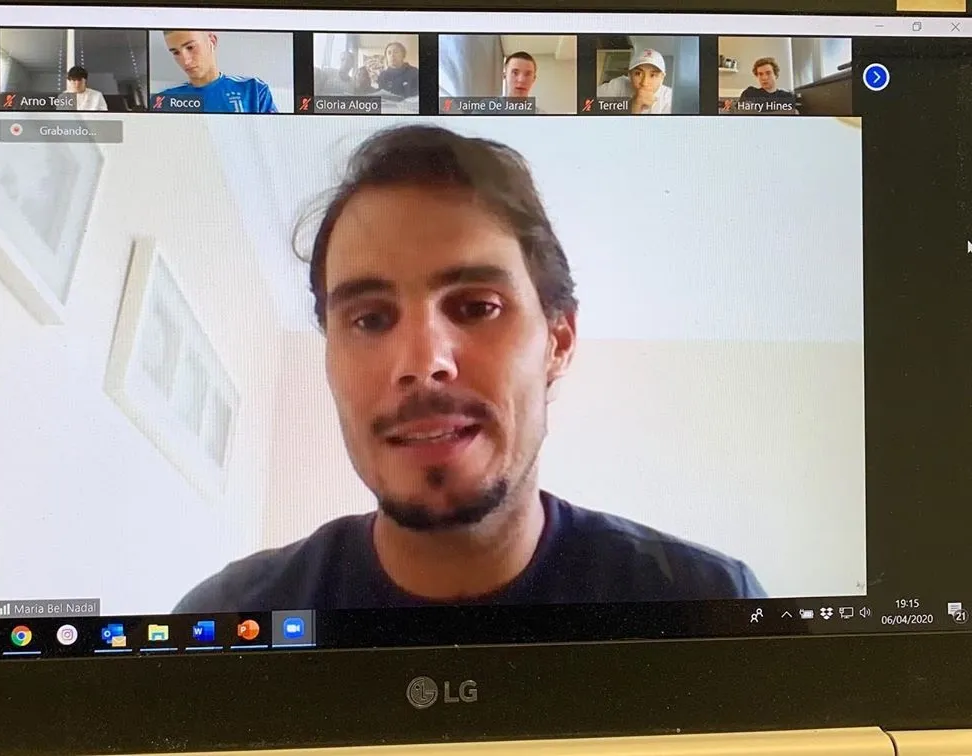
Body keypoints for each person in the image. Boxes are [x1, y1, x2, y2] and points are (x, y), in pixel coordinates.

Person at [173, 124, 767, 612]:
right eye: (370, 319)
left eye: (477, 307)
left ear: (558, 341)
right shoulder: (227, 620)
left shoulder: (712, 608)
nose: (422, 362)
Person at [160, 30, 279, 113]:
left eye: (190, 47)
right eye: (176, 52)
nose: (185, 61)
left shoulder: (253, 89)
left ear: (212, 41)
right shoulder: (164, 100)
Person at [595, 48, 673, 115]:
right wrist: (631, 107)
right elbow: (589, 103)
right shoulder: (619, 84)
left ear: (662, 78)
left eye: (653, 75)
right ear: (630, 75)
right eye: (638, 73)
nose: (644, 83)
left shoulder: (670, 99)